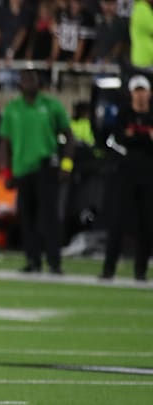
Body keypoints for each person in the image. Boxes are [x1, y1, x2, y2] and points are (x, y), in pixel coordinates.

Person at [0, 69, 74, 275]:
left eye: (32, 79)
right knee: (27, 218)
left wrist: (67, 164)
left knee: (49, 217)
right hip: (22, 169)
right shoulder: (12, 109)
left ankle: (54, 262)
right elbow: (4, 143)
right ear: (19, 84)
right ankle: (32, 260)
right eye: (24, 79)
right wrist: (5, 172)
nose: (28, 82)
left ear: (39, 83)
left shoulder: (51, 106)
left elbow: (69, 135)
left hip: (46, 166)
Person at [100, 74, 153, 282]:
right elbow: (120, 139)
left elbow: (131, 138)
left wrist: (135, 136)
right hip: (126, 175)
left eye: (143, 90)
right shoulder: (124, 114)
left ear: (149, 93)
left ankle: (140, 271)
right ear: (131, 93)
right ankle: (108, 269)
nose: (140, 94)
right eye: (137, 90)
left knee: (146, 224)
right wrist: (144, 137)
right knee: (118, 222)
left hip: (148, 177)